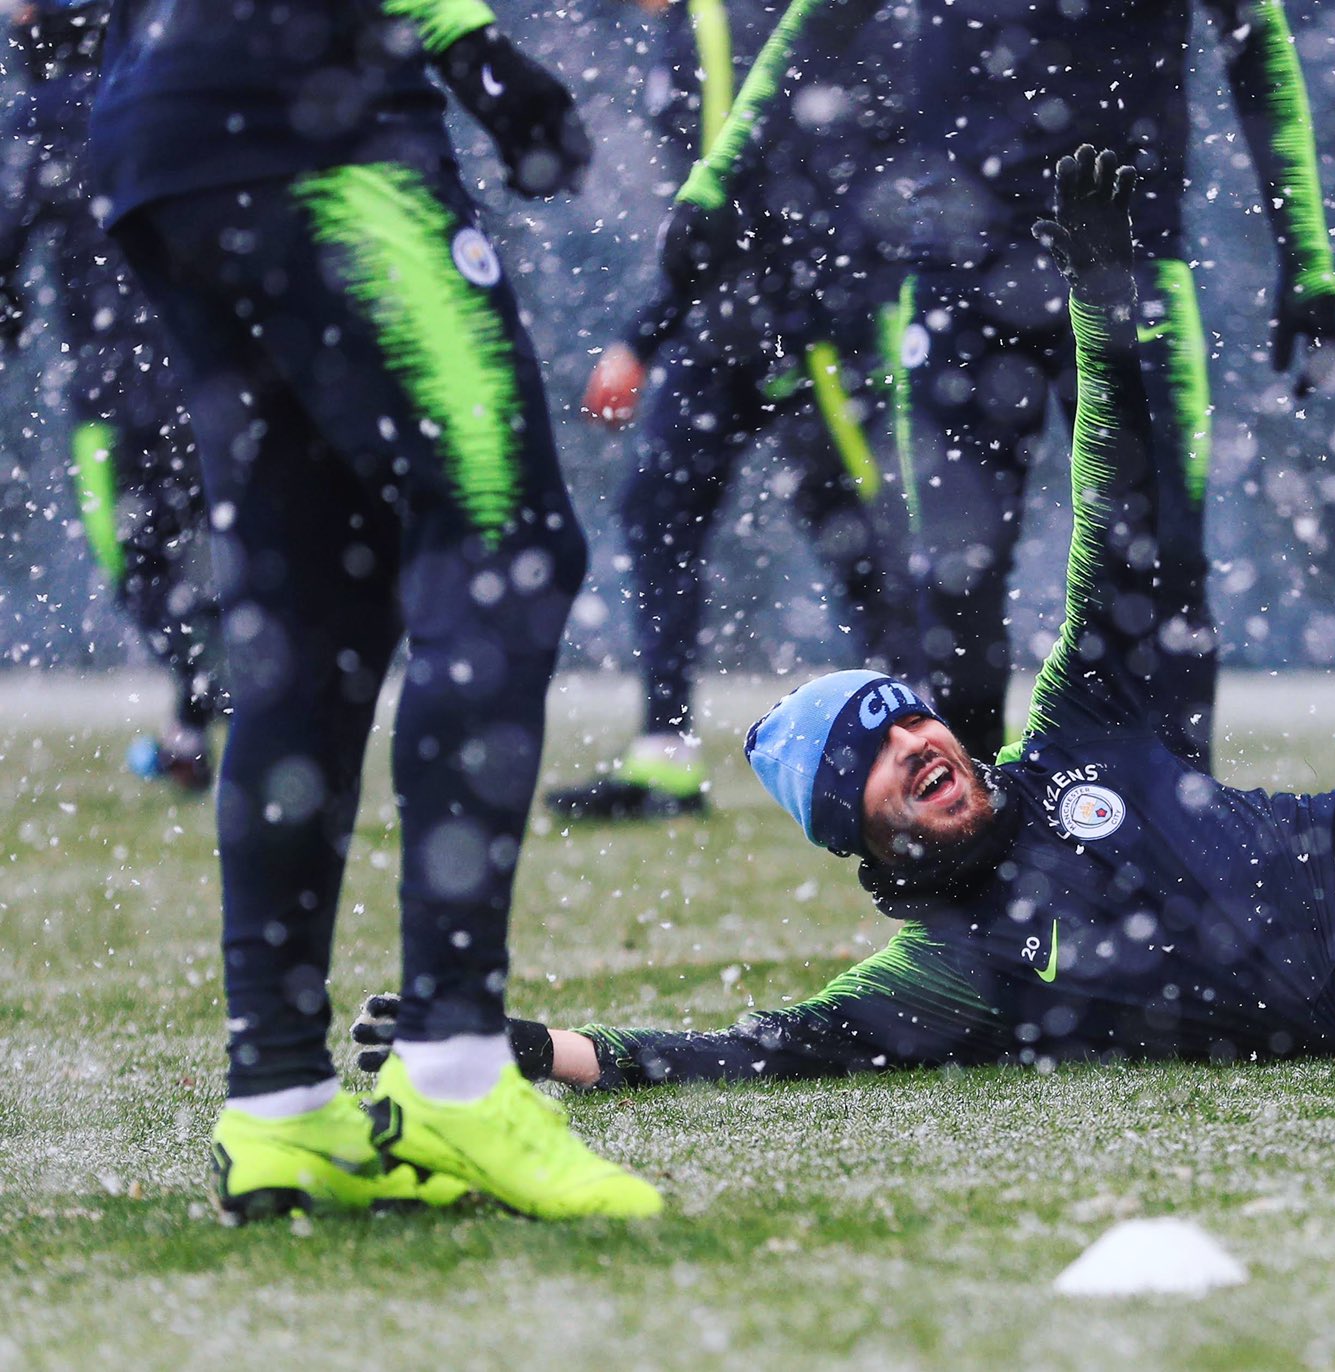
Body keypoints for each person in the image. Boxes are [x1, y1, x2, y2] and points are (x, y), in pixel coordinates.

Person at [355, 150, 1335, 1095]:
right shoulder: (956, 968)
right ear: (865, 838)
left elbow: (1133, 528)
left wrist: (1108, 318)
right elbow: (767, 1050)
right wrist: (539, 1050)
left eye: (909, 722)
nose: (921, 751)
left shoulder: (1082, 734)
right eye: (881, 766)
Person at [90, 0, 659, 1217]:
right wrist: (468, 43)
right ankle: (454, 1063)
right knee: (506, 539)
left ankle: (282, 1101)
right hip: (314, 118)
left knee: (314, 607)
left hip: (158, 132)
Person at [658, 0, 1335, 766]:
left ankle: (1179, 852)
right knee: (955, 586)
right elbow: (814, 26)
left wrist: (1308, 256)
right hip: (961, 278)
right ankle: (979, 868)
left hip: (1126, 275)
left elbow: (1259, 47)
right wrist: (718, 178)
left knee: (1157, 573)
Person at [546, 0, 914, 822]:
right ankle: (667, 754)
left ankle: (938, 742)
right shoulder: (693, 23)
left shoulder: (728, 23)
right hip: (736, 324)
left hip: (803, 323)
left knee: (866, 539)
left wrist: (644, 335)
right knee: (660, 510)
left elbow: (741, 191)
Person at [0, 0, 222, 790]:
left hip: (115, 388)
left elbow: (10, 236)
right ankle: (196, 722)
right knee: (219, 554)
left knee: (135, 564)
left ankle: (203, 693)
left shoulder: (46, 114)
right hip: (211, 371)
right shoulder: (168, 90)